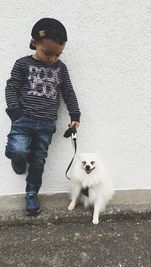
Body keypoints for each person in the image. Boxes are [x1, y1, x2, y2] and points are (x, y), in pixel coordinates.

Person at [5, 18, 81, 216]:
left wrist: (75, 114)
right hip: (23, 119)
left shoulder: (60, 69)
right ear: (34, 42)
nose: (53, 58)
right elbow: (11, 88)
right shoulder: (22, 64)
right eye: (48, 53)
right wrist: (15, 113)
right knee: (18, 149)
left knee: (38, 160)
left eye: (58, 54)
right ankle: (18, 158)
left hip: (47, 123)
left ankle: (31, 194)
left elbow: (68, 92)